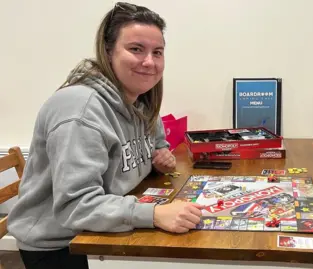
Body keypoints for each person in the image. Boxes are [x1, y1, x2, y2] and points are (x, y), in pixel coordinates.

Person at [7, 2, 204, 269]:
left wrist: (159, 157)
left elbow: (158, 144)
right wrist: (154, 214)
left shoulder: (142, 101)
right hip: (62, 245)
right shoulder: (79, 110)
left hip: (102, 226)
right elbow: (76, 206)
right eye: (136, 49)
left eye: (157, 52)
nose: (149, 62)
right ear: (108, 52)